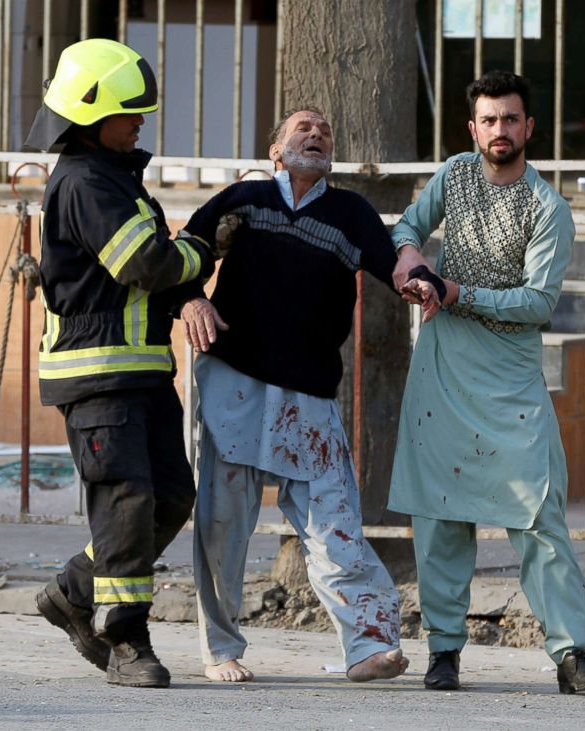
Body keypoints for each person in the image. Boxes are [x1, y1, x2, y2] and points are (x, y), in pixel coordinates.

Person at [178, 105, 441, 684]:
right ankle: (220, 648)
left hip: (311, 395)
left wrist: (417, 277)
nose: (317, 134)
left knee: (335, 520)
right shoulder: (242, 201)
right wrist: (191, 299)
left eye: (325, 131)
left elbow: (390, 261)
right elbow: (181, 255)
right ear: (276, 150)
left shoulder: (349, 212)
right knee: (223, 521)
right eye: (303, 128)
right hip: (234, 382)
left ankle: (368, 645)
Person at [388, 70, 585, 695]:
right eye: (489, 120)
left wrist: (456, 291)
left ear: (529, 127)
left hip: (510, 381)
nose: (499, 131)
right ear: (473, 128)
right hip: (442, 372)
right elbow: (407, 227)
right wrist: (409, 256)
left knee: (539, 515)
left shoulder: (548, 207)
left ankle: (571, 655)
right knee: (439, 516)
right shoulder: (455, 175)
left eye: (510, 119)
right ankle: (444, 652)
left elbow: (539, 303)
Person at [24, 38, 215, 688]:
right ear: (90, 114)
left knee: (171, 496)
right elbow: (148, 264)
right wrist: (201, 249)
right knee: (128, 501)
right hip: (99, 375)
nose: (140, 123)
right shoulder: (83, 184)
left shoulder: (114, 179)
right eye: (130, 113)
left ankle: (75, 590)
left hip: (141, 372)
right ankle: (126, 638)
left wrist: (182, 253)